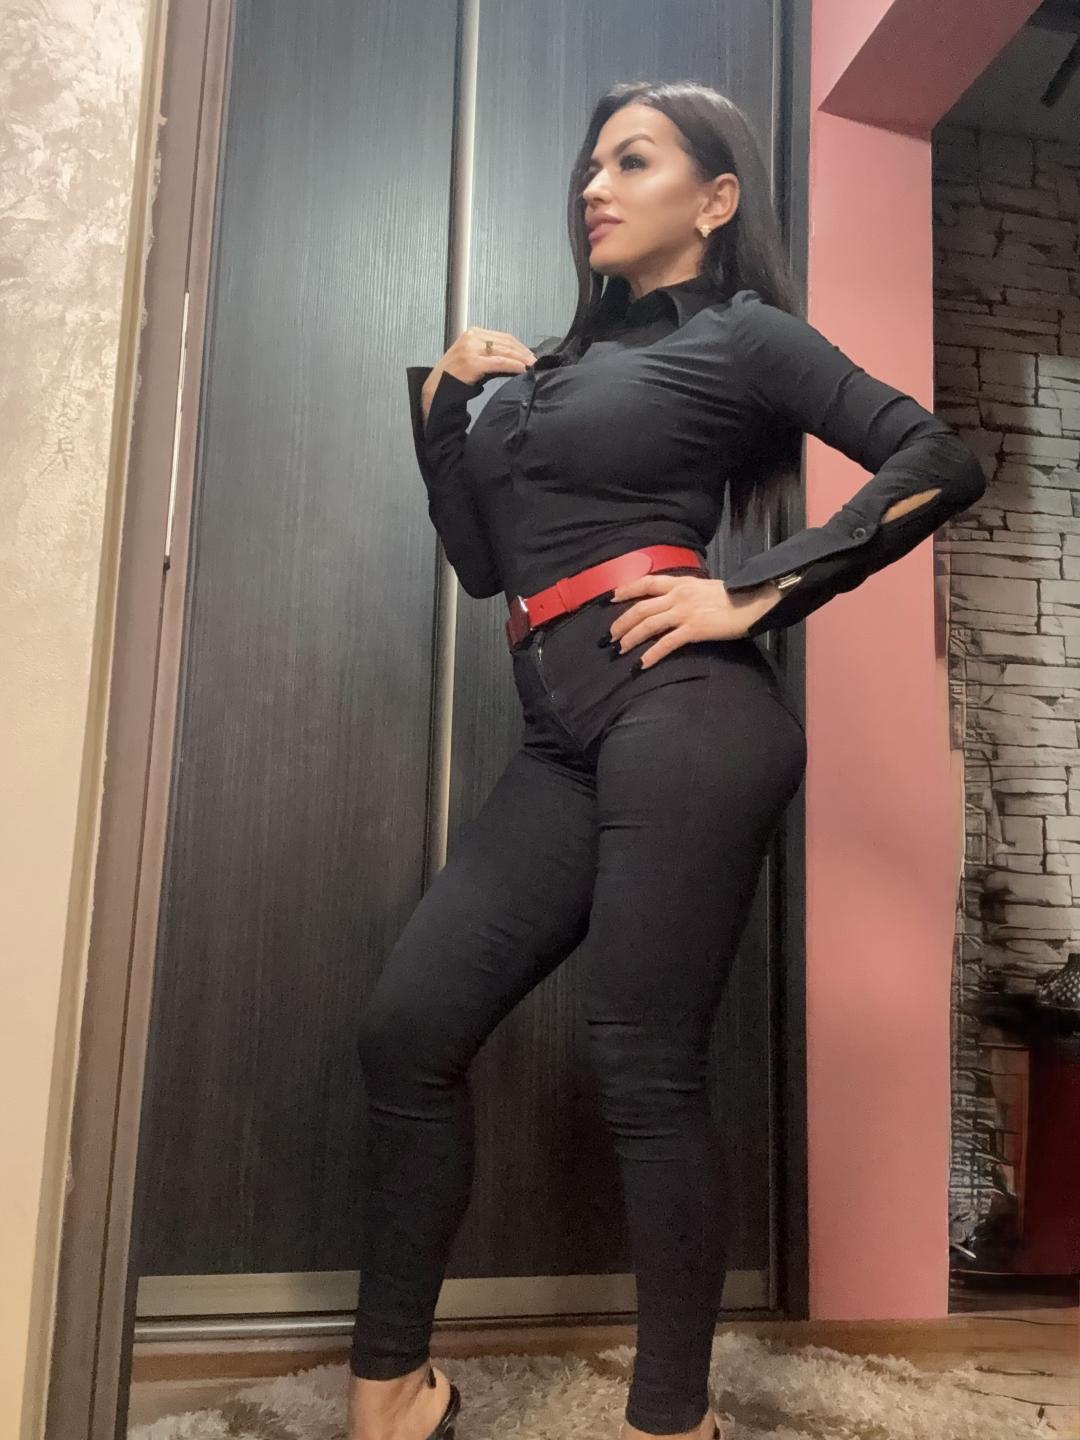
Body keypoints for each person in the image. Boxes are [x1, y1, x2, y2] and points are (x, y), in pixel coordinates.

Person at [346, 80, 986, 1440]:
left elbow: (939, 455)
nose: (594, 185)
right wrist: (442, 408)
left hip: (686, 713)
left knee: (642, 1061)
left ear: (714, 199)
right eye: (590, 166)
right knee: (407, 1032)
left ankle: (672, 1418)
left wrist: (759, 589)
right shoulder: (544, 373)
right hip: (558, 736)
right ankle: (394, 1393)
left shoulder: (741, 333)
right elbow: (483, 567)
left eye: (632, 161)